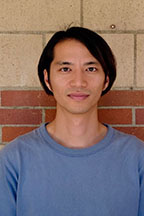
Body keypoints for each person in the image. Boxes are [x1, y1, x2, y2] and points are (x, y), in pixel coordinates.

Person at [0, 26, 144, 216]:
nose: (78, 82)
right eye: (65, 69)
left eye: (91, 68)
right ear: (47, 78)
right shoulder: (14, 160)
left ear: (106, 80)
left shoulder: (137, 157)